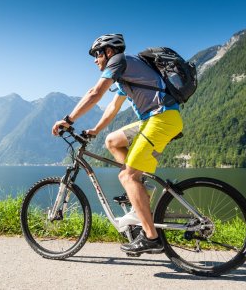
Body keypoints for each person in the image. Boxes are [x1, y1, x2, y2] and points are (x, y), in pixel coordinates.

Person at [51, 34, 183, 254]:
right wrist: (95, 130)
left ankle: (152, 238)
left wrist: (68, 120)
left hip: (161, 119)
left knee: (127, 176)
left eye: (97, 54)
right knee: (112, 141)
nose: (95, 60)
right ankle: (140, 188)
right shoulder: (127, 72)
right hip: (153, 120)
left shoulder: (119, 61)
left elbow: (95, 93)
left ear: (109, 51)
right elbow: (112, 108)